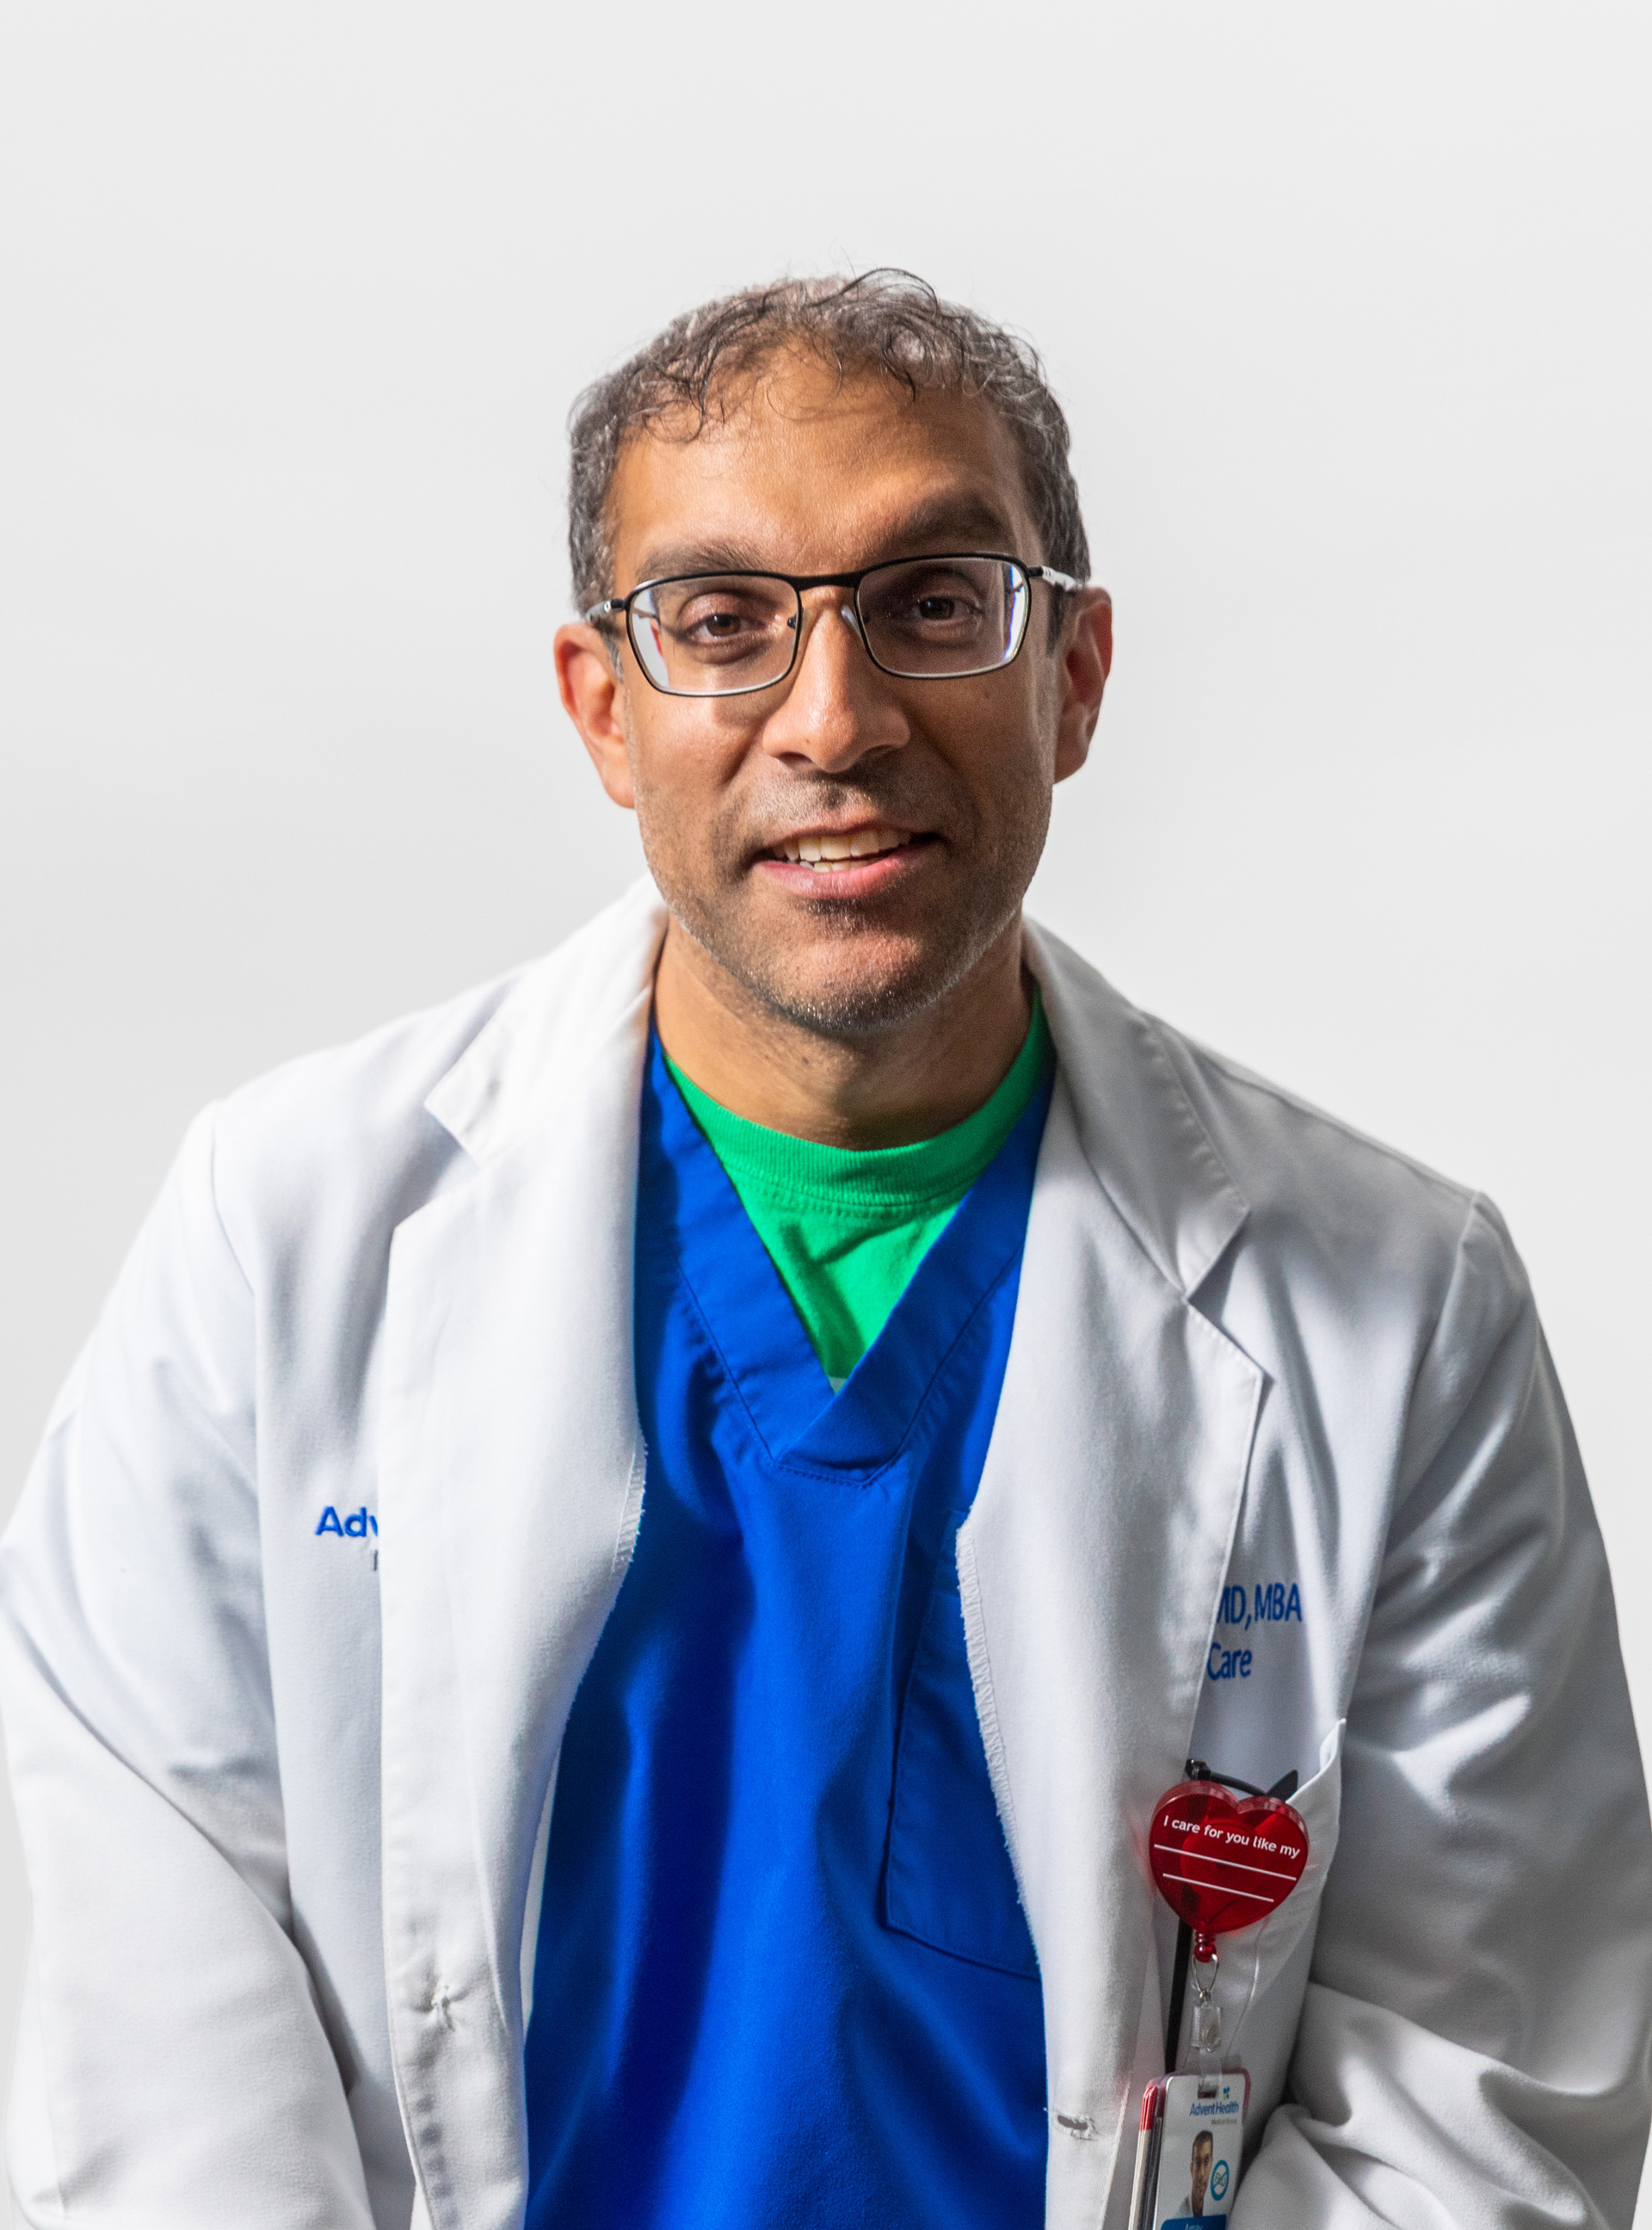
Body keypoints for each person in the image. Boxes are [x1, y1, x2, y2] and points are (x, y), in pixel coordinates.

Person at [1, 269, 1648, 2230]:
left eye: (936, 603)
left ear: (1081, 676)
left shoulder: (1403, 1305)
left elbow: (1474, 2114)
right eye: (721, 622)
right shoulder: (282, 1232)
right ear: (605, 711)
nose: (834, 719)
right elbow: (145, 2006)